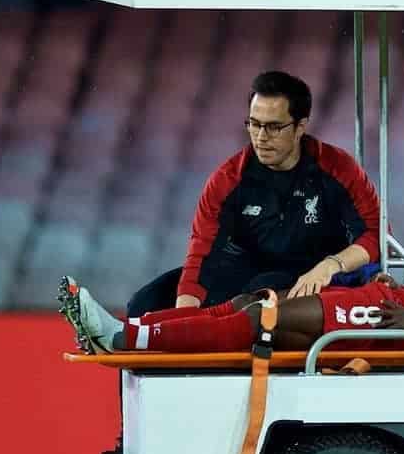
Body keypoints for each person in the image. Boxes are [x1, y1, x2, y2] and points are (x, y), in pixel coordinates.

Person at [126, 71, 381, 316]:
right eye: (254, 124)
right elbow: (201, 256)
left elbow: (377, 236)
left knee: (260, 291)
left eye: (273, 127)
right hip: (246, 271)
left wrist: (329, 266)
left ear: (300, 126)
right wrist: (183, 317)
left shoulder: (339, 169)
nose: (260, 137)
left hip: (313, 275)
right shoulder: (227, 180)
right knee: (144, 303)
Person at [60, 274, 404, 381]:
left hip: (390, 321)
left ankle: (126, 338)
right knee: (248, 301)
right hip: (390, 300)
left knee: (265, 317)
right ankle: (132, 327)